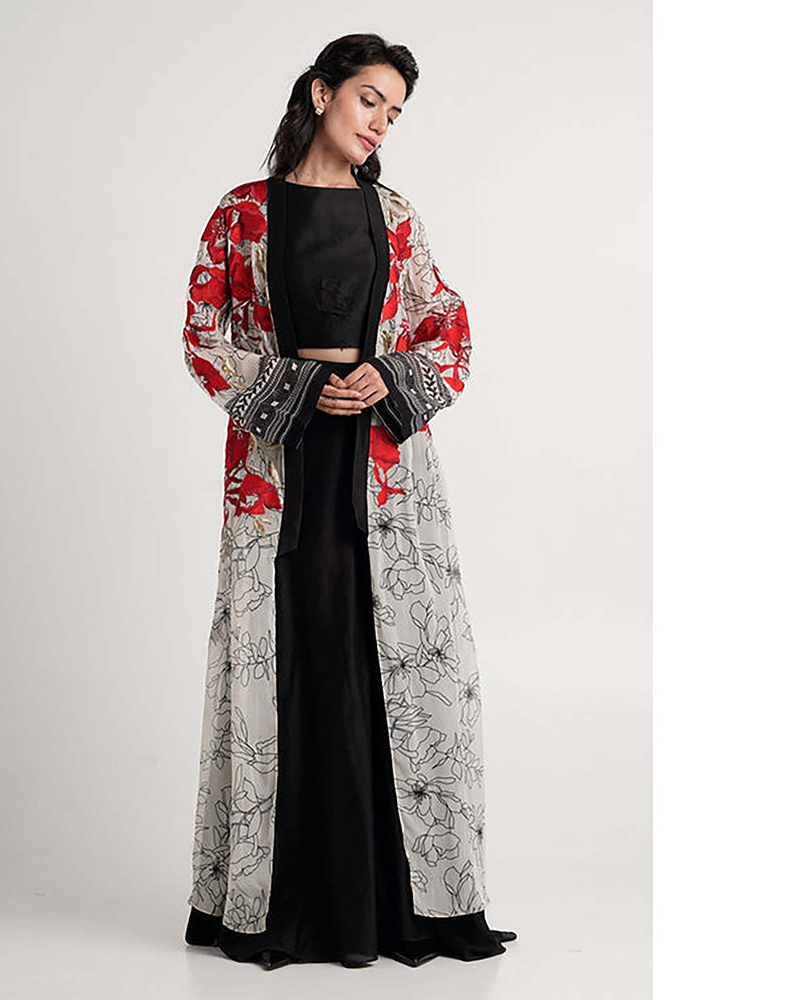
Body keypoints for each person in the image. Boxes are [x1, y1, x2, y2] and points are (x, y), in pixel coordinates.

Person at [182, 33, 518, 969]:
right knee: (296, 653)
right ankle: (281, 906)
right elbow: (203, 332)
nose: (381, 123)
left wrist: (388, 376)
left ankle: (397, 906)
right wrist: (294, 385)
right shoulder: (243, 213)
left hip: (382, 470)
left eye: (395, 113)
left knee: (387, 661)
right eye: (371, 99)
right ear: (322, 92)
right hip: (280, 466)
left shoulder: (395, 216)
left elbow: (446, 324)